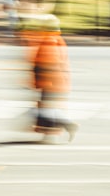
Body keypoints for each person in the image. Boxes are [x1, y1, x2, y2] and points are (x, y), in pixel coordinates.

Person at [22, 15, 79, 143]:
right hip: (58, 81)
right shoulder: (57, 40)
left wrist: (39, 81)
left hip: (50, 82)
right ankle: (50, 135)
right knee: (48, 109)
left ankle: (67, 124)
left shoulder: (49, 42)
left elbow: (47, 64)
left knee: (45, 110)